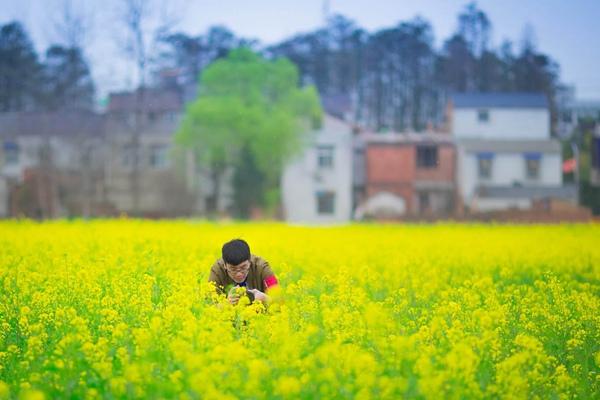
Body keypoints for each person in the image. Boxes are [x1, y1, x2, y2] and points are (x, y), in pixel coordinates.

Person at [208, 239, 279, 305]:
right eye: (233, 269)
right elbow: (208, 304)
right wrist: (226, 304)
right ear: (225, 265)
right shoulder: (217, 270)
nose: (239, 274)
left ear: (249, 261)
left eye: (243, 267)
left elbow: (279, 298)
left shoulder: (262, 267)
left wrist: (265, 298)